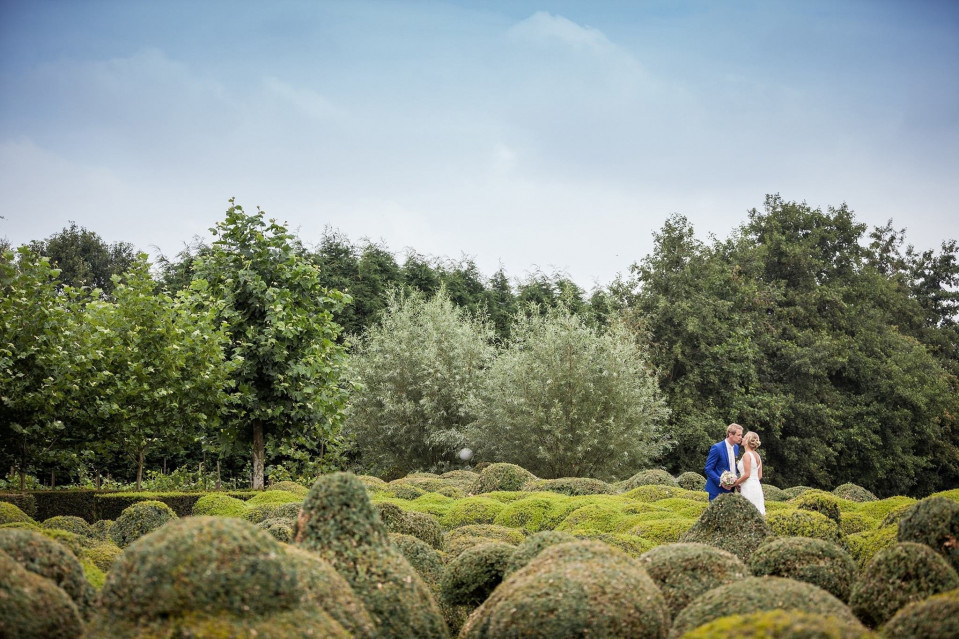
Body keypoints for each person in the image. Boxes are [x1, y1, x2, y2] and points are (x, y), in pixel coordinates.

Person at [704, 423, 742, 501]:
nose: (741, 437)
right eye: (739, 435)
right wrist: (721, 481)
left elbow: (733, 467)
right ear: (730, 434)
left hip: (731, 489)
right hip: (716, 489)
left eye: (741, 435)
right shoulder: (717, 448)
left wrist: (736, 483)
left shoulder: (736, 447)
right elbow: (708, 469)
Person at [732, 431, 765, 515]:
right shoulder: (757, 455)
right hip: (757, 487)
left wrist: (735, 483)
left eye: (745, 437)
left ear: (747, 441)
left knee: (747, 512)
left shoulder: (747, 455)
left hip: (748, 487)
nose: (742, 438)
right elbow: (760, 476)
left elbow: (747, 474)